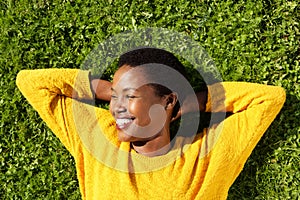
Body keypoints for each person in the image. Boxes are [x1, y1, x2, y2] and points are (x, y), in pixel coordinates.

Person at [16, 47, 286, 199]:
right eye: (113, 97)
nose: (116, 108)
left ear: (168, 102)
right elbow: (31, 84)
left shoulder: (205, 155)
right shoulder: (99, 138)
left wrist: (193, 99)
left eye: (130, 96)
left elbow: (269, 99)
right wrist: (106, 89)